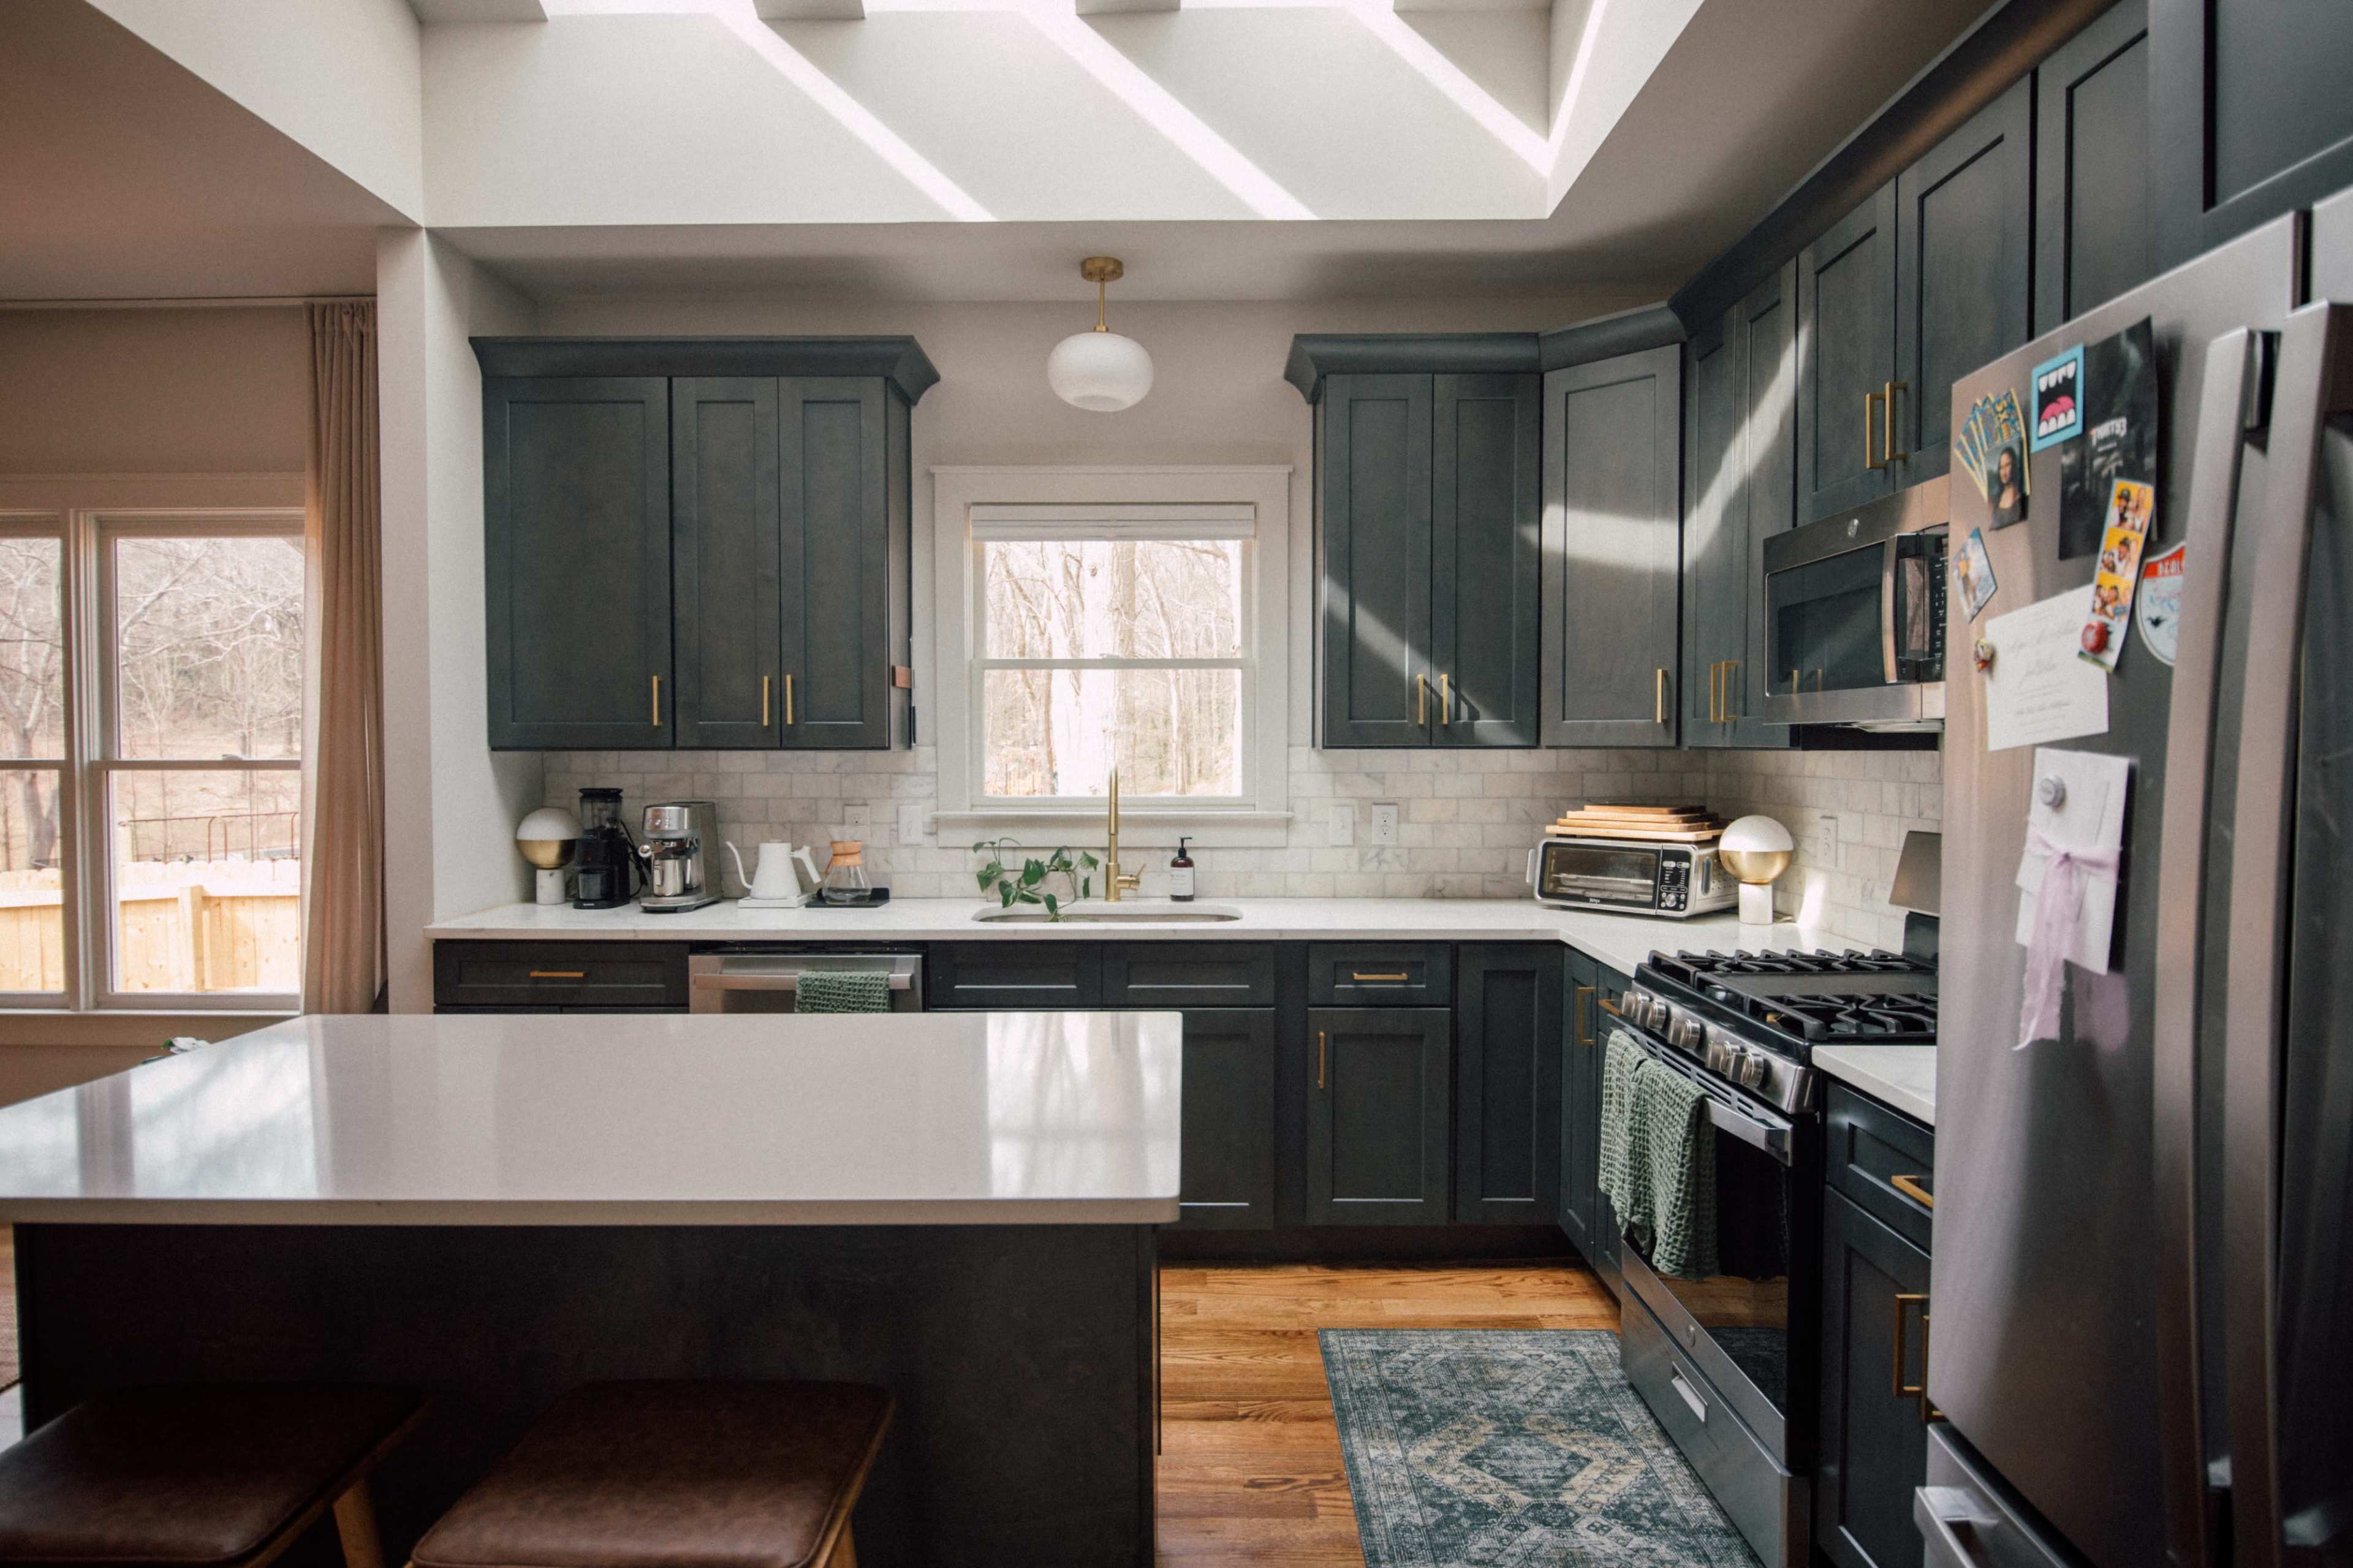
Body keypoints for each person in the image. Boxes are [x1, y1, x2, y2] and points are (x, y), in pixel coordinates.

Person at [1990, 444, 2026, 528]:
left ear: (2014, 465)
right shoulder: (1994, 500)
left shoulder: (2020, 498)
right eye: (2001, 467)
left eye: (2007, 465)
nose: (2004, 472)